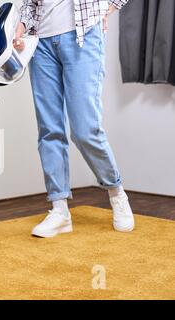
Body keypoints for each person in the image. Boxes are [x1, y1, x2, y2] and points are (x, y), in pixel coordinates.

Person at [14, 0, 134, 238]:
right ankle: (60, 210)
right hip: (41, 42)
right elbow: (30, 3)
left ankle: (116, 191)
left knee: (85, 130)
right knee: (49, 129)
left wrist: (107, 8)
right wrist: (21, 25)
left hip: (83, 35)